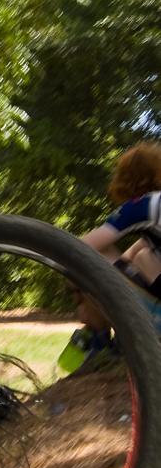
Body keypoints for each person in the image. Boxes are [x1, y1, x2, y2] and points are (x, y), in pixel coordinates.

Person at [63, 141, 161, 372]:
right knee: (143, 256)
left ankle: (101, 342)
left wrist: (76, 288)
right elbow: (130, 256)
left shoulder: (143, 205)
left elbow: (81, 246)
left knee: (90, 256)